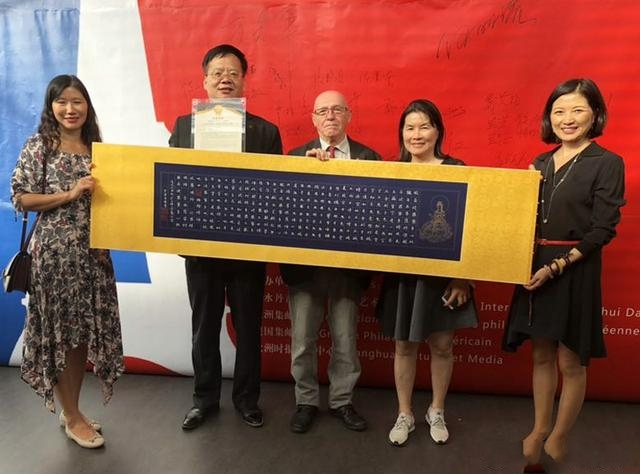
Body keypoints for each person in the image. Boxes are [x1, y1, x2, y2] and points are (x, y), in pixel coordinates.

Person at [502, 79, 625, 467]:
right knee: (541, 355)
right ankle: (539, 429)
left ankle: (559, 435)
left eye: (577, 110)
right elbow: (521, 222)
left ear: (595, 114)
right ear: (549, 118)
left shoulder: (607, 162)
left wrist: (556, 266)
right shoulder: (539, 164)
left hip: (575, 269)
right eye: (559, 111)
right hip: (534, 266)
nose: (567, 119)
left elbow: (602, 230)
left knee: (571, 362)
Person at [169, 44, 283, 430]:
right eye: (217, 73)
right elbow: (174, 183)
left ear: (244, 81)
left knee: (249, 327)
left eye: (233, 73)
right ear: (204, 81)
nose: (225, 79)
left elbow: (275, 191)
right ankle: (204, 400)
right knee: (204, 327)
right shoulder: (184, 127)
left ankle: (247, 400)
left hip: (247, 247)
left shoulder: (266, 132)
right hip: (201, 247)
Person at [10, 74, 124, 449]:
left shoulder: (97, 149)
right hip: (55, 257)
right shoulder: (40, 146)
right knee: (59, 336)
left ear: (87, 106)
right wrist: (70, 193)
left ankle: (72, 410)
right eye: (62, 102)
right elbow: (22, 198)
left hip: (94, 256)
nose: (70, 109)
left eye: (77, 101)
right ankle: (73, 417)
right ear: (51, 107)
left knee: (79, 336)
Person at [376, 99, 478, 447]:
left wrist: (462, 278)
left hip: (443, 277)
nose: (416, 134)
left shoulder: (457, 169)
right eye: (409, 128)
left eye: (424, 126)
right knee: (404, 345)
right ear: (401, 133)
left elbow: (470, 228)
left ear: (438, 131)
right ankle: (404, 413)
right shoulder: (392, 172)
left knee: (442, 345)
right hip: (403, 276)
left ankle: (437, 409)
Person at [280, 90, 381, 433]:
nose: (330, 116)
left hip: (347, 267)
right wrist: (306, 174)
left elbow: (378, 214)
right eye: (323, 111)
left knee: (345, 340)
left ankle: (341, 401)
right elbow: (283, 213)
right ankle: (306, 401)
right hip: (305, 267)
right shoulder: (295, 157)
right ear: (313, 118)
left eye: (337, 109)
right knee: (302, 341)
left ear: (349, 115)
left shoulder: (369, 158)